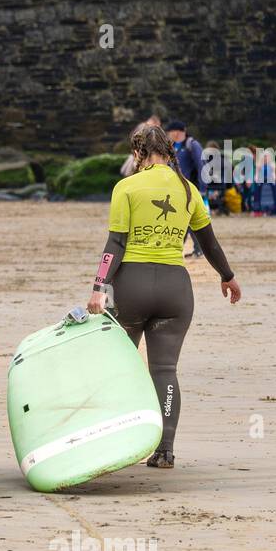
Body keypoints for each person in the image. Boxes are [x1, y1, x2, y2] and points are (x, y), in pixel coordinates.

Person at [86, 123, 241, 469]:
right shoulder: (188, 190)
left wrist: (99, 287)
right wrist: (227, 276)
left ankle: (117, 441)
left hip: (131, 288)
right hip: (175, 290)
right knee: (165, 370)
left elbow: (116, 243)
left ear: (138, 153)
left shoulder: (126, 187)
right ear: (170, 153)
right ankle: (165, 449)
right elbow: (208, 242)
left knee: (119, 368)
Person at [165, 121, 204, 256]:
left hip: (190, 188)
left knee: (188, 218)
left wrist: (203, 188)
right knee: (182, 219)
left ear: (178, 132)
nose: (170, 134)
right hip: (175, 189)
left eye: (171, 132)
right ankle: (186, 248)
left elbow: (201, 166)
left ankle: (193, 248)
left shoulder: (192, 145)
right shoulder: (170, 147)